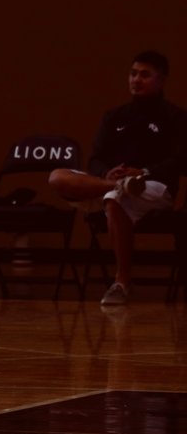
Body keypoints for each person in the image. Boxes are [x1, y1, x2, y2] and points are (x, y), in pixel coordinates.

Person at [48, 51, 187, 306]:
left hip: (154, 187)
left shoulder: (175, 118)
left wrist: (144, 172)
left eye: (145, 75)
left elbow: (180, 162)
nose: (136, 80)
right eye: (133, 73)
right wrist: (106, 173)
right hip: (109, 185)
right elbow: (95, 159)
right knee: (57, 177)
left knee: (114, 198)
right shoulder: (114, 117)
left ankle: (122, 282)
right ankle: (116, 185)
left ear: (161, 80)